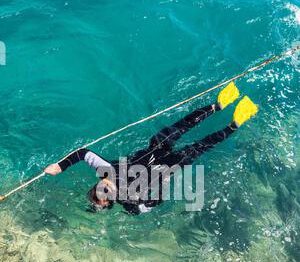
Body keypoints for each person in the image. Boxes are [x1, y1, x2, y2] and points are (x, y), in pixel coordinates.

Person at [45, 83, 258, 215]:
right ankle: (234, 125)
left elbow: (82, 153)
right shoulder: (129, 203)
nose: (104, 186)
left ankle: (216, 106)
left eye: (98, 188)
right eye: (106, 192)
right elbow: (153, 204)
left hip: (155, 147)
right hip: (168, 166)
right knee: (201, 146)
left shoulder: (105, 170)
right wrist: (164, 184)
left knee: (181, 126)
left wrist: (60, 166)